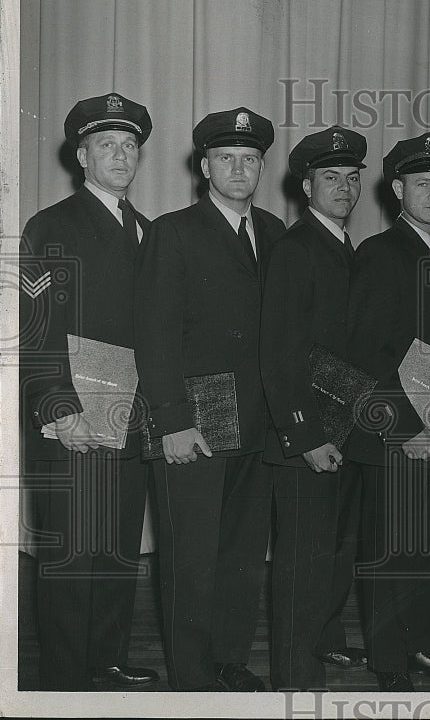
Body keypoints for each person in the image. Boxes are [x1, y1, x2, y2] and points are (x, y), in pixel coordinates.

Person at [133, 107, 285, 691]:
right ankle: (193, 679)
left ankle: (229, 660)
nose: (239, 169)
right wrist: (171, 418)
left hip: (257, 420)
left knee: (244, 555)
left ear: (262, 167)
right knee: (190, 560)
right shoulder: (173, 231)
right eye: (227, 159)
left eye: (250, 159)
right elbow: (155, 331)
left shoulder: (273, 231)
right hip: (193, 420)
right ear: (204, 167)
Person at [19, 92, 158, 690]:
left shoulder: (149, 232)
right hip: (72, 421)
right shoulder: (51, 224)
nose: (121, 155)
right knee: (72, 556)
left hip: (129, 417)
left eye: (130, 145)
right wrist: (59, 409)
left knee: (118, 549)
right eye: (108, 144)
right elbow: (35, 327)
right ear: (82, 155)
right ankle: (64, 680)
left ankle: (105, 658)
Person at [343, 132, 430, 691]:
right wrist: (407, 428)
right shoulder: (378, 253)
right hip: (397, 434)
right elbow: (369, 352)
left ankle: (423, 645)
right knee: (392, 552)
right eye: (423, 184)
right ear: (397, 188)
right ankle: (389, 659)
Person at [259, 126, 369, 690]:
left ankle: (322, 645)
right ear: (307, 186)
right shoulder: (296, 248)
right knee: (303, 562)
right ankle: (294, 679)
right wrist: (305, 436)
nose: (344, 188)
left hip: (348, 434)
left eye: (353, 178)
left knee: (334, 554)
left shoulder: (347, 248)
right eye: (331, 178)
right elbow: (279, 354)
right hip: (308, 439)